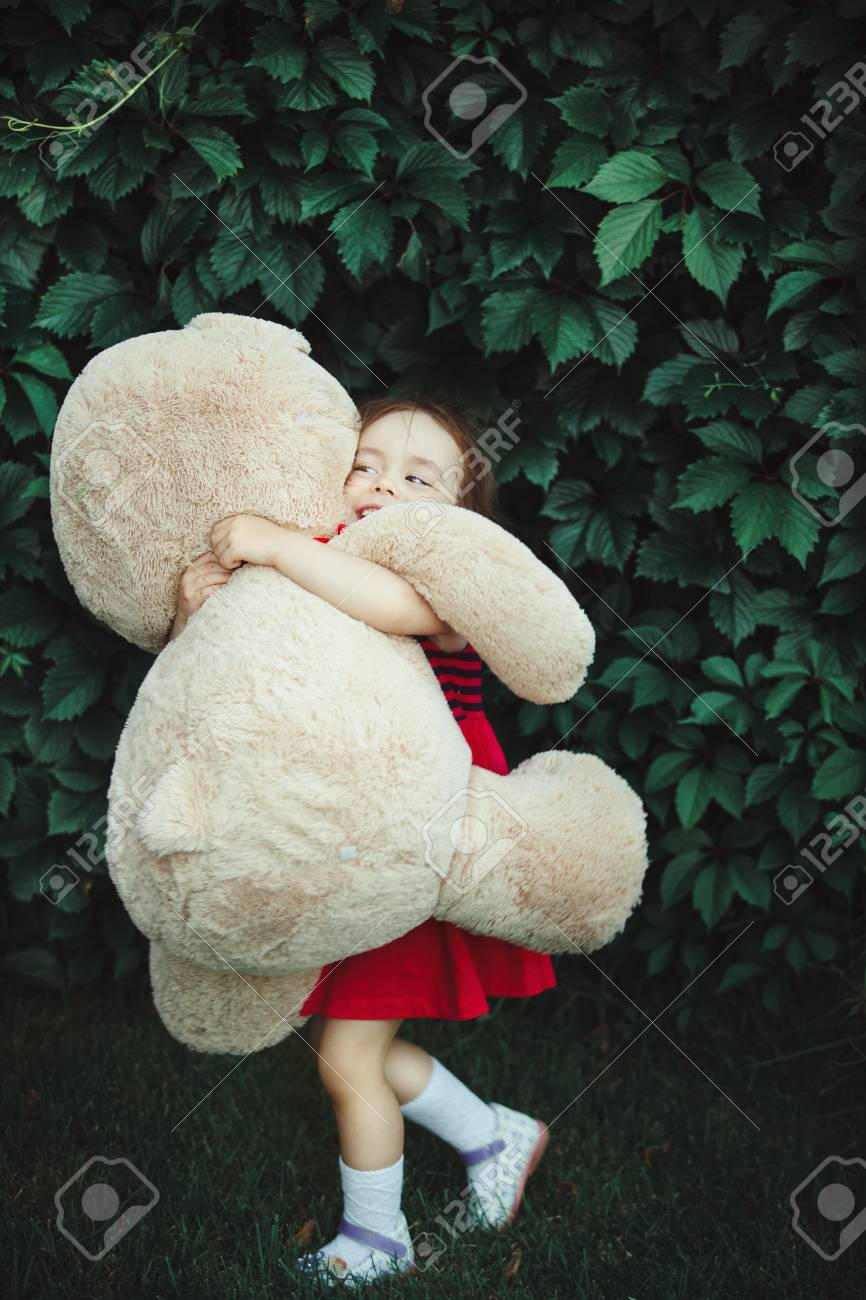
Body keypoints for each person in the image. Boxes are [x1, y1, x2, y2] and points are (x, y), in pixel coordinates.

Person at [169, 398, 556, 1287]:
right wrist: (195, 608)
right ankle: (495, 1133)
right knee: (350, 1042)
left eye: (418, 478)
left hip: (419, 841)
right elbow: (219, 674)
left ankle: (377, 1239)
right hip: (343, 841)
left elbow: (390, 604)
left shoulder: (444, 584)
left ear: (459, 520)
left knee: (346, 1056)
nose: (384, 484)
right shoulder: (323, 559)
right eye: (365, 464)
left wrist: (271, 545)